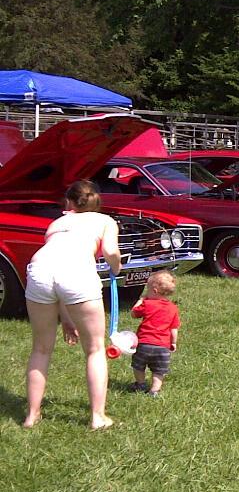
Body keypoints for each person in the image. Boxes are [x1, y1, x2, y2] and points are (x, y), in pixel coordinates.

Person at [23, 180, 122, 429]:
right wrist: (116, 267)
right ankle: (98, 417)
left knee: (40, 349)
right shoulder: (105, 221)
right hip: (77, 273)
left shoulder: (56, 224)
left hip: (39, 270)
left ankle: (32, 415)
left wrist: (67, 319)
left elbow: (57, 281)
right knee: (95, 349)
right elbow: (110, 252)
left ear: (69, 202)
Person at [128, 271, 181, 397]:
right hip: (163, 347)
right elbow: (174, 328)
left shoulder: (147, 303)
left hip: (144, 344)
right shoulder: (173, 308)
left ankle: (140, 384)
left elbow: (134, 313)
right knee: (159, 370)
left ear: (155, 291)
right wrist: (173, 342)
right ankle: (154, 390)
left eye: (148, 290)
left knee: (138, 365)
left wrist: (141, 300)